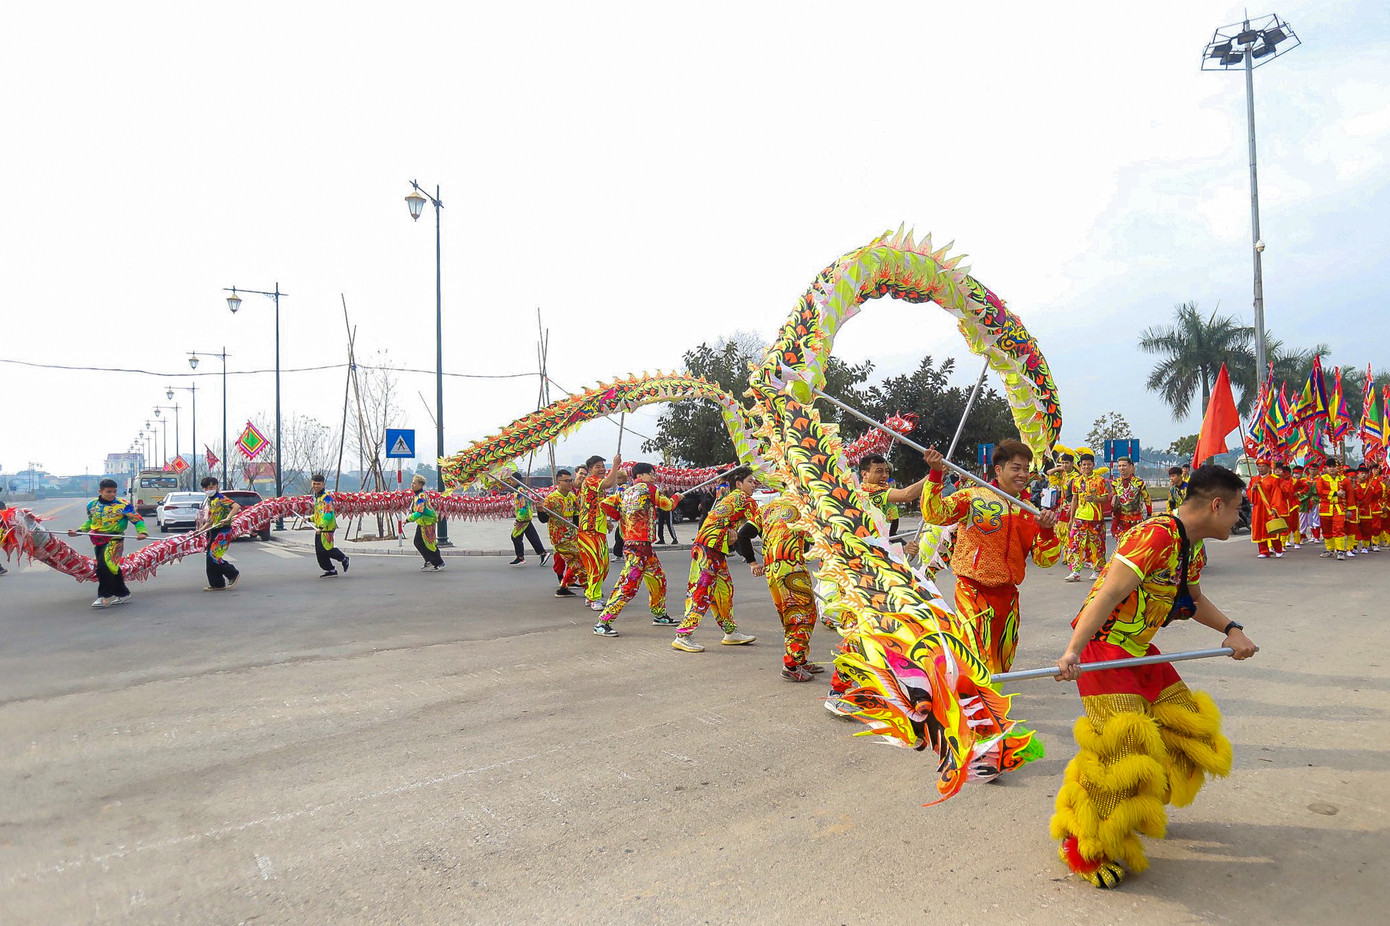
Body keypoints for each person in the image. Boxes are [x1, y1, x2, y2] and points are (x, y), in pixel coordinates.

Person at [1050, 464, 1258, 889]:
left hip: (1141, 653)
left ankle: (1132, 807)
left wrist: (1231, 629)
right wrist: (1073, 650)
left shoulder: (1190, 546)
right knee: (1120, 753)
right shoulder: (1157, 534)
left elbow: (1193, 599)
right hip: (1105, 652)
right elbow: (1109, 591)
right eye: (1238, 509)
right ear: (1216, 505)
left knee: (1190, 732)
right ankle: (1085, 846)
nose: (1240, 518)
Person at [919, 440, 1060, 674]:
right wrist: (935, 474)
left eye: (1026, 469)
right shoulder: (974, 497)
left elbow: (1046, 560)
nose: (1022, 474)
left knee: (1001, 661)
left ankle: (989, 698)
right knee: (977, 657)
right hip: (973, 590)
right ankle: (971, 697)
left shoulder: (1028, 511)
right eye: (1016, 468)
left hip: (1008, 596)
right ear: (999, 470)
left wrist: (1046, 531)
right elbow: (934, 513)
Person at [673, 466, 760, 652]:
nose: (754, 485)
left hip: (710, 546)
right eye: (750, 481)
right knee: (703, 591)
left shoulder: (728, 497)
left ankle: (730, 631)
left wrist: (733, 531)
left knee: (724, 590)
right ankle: (683, 635)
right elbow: (761, 525)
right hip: (711, 547)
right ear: (739, 484)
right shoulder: (746, 500)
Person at [737, 494, 821, 681]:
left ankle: (800, 659)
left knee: (791, 616)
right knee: (803, 615)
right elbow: (817, 537)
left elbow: (743, 534)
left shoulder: (768, 508)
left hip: (773, 570)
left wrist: (752, 563)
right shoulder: (804, 506)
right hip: (791, 568)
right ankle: (791, 664)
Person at [593, 463, 682, 636]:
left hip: (641, 546)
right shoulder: (649, 488)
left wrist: (620, 516)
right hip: (637, 548)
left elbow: (605, 503)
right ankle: (602, 622)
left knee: (658, 579)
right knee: (628, 585)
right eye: (651, 474)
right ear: (640, 476)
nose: (654, 477)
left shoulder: (624, 492)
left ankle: (659, 615)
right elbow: (667, 505)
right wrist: (677, 497)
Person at [68, 478, 147, 607]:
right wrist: (78, 531)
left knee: (104, 567)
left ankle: (103, 596)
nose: (112, 494)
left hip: (115, 539)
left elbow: (137, 520)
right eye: (108, 492)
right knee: (111, 567)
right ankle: (123, 593)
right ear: (100, 491)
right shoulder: (92, 505)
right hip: (97, 539)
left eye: (114, 491)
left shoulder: (123, 505)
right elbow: (90, 522)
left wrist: (142, 532)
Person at [576, 454, 623, 612]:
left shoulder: (599, 487)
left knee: (604, 566)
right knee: (595, 565)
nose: (602, 469)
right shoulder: (590, 481)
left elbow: (599, 507)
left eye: (603, 466)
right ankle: (593, 597)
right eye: (598, 466)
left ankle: (591, 593)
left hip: (599, 530)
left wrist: (607, 522)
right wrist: (615, 465)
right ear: (590, 470)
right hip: (588, 530)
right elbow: (609, 482)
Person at [857, 453, 930, 532]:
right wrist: (931, 476)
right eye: (879, 471)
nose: (885, 475)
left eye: (887, 471)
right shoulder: (869, 491)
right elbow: (906, 495)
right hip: (878, 537)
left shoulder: (884, 486)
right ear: (864, 474)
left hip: (889, 530)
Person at [1064, 453, 1108, 581]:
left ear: (1093, 465)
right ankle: (1075, 571)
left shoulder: (1100, 480)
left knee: (1097, 545)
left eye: (1089, 464)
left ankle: (1097, 570)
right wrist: (1071, 518)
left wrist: (1095, 499)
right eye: (1084, 465)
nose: (1086, 467)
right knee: (1075, 544)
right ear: (1080, 466)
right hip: (1079, 518)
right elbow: (1074, 499)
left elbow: (1106, 499)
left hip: (1095, 519)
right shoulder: (1076, 481)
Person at [543, 470, 583, 596]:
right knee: (578, 559)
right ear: (558, 482)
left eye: (570, 480)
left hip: (572, 535)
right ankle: (589, 589)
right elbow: (543, 519)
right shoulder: (551, 499)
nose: (570, 483)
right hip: (559, 537)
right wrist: (540, 511)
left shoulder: (572, 497)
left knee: (576, 560)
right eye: (566, 481)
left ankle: (564, 586)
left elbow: (576, 517)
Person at [198, 476, 242, 590]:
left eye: (212, 487)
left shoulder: (221, 498)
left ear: (216, 486)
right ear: (203, 489)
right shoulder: (211, 500)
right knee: (209, 558)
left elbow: (236, 506)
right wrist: (202, 529)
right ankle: (217, 584)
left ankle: (233, 573)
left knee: (214, 556)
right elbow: (212, 518)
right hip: (214, 530)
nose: (210, 489)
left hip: (224, 531)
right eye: (207, 488)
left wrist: (228, 518)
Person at [1247, 458, 1289, 558]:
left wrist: (1275, 508)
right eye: (1259, 466)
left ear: (1268, 468)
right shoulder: (1254, 480)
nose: (1260, 468)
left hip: (1269, 508)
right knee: (1259, 529)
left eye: (1263, 467)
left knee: (1273, 529)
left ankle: (1278, 549)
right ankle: (1263, 551)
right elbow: (1249, 493)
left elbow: (1276, 494)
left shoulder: (1274, 480)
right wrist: (1253, 489)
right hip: (1258, 508)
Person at [310, 474, 350, 577]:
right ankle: (330, 570)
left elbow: (328, 514)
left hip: (326, 528)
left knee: (326, 549)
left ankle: (343, 558)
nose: (316, 486)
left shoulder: (327, 498)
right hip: (320, 528)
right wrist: (310, 518)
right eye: (314, 484)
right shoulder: (316, 498)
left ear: (323, 484)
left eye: (318, 484)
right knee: (319, 552)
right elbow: (319, 514)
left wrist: (321, 527)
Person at [406, 474, 445, 570]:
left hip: (428, 522)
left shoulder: (421, 496)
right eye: (412, 483)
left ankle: (439, 563)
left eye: (414, 483)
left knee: (430, 544)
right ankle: (429, 560)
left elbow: (420, 512)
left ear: (420, 485)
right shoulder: (417, 495)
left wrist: (408, 519)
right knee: (418, 542)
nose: (412, 485)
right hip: (422, 522)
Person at [1108, 457, 1151, 542]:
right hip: (1121, 520)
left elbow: (1147, 498)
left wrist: (1149, 514)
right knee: (1121, 544)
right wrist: (1113, 511)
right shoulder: (1115, 483)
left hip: (1136, 519)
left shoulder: (1138, 482)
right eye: (1119, 466)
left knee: (1135, 545)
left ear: (1131, 467)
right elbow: (1114, 499)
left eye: (1124, 465)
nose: (1121, 468)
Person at [1315, 458, 1348, 560]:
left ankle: (1340, 550)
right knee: (1326, 529)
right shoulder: (1321, 479)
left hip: (1339, 507)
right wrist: (1335, 493)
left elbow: (1350, 495)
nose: (1332, 469)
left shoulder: (1344, 479)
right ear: (1326, 468)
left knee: (1339, 528)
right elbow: (1320, 492)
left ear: (1338, 468)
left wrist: (1350, 509)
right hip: (1325, 507)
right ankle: (1330, 549)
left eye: (1334, 467)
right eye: (1330, 467)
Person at [507, 487, 549, 566]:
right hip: (526, 517)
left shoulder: (520, 492)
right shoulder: (520, 490)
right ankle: (542, 553)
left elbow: (523, 507)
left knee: (515, 536)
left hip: (524, 518)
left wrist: (519, 519)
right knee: (531, 536)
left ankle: (520, 557)